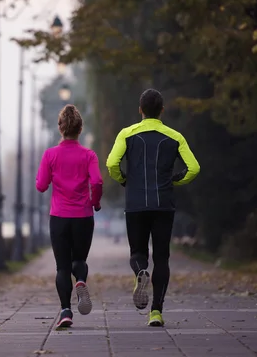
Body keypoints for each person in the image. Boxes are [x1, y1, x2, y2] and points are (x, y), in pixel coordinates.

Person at [105, 89, 200, 327]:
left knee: (138, 253)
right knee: (162, 257)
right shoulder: (175, 136)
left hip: (136, 204)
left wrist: (125, 180)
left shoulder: (127, 134)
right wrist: (176, 180)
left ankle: (140, 272)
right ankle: (156, 312)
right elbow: (194, 168)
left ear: (140, 110)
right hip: (163, 204)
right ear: (162, 111)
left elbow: (111, 163)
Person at [36, 104, 103, 328]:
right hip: (83, 217)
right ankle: (81, 280)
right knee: (79, 261)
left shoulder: (50, 155)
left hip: (59, 218)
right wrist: (95, 202)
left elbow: (41, 186)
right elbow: (97, 181)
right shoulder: (89, 155)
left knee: (62, 267)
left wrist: (44, 179)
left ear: (60, 127)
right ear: (80, 128)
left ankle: (66, 312)